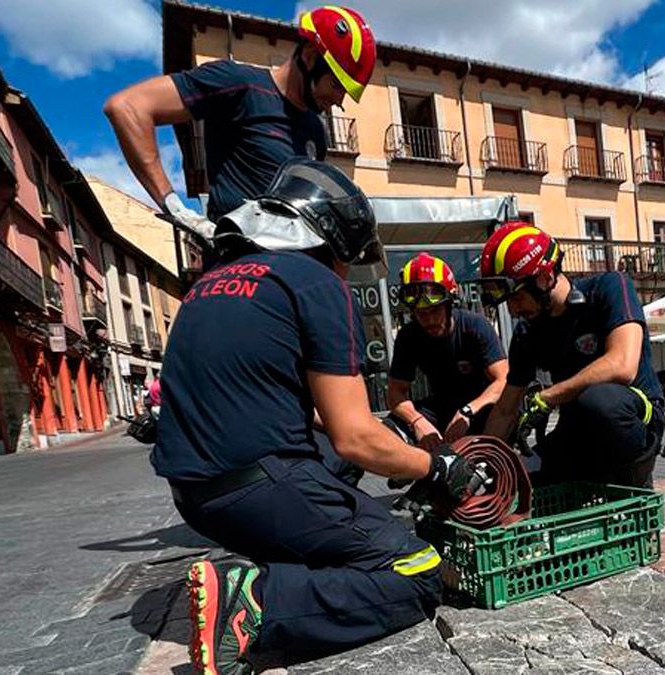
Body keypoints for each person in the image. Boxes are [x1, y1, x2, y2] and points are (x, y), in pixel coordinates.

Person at [154, 159, 481, 674]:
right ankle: (258, 604)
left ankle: (289, 568)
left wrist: (396, 451)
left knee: (339, 504)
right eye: (349, 260)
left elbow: (315, 415)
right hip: (257, 488)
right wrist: (437, 468)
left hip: (194, 499)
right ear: (332, 243)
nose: (347, 273)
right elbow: (355, 438)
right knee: (417, 567)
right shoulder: (312, 281)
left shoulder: (211, 283)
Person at [103, 5, 376, 239]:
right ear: (309, 56)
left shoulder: (315, 130)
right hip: (237, 274)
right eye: (338, 85)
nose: (340, 100)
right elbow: (128, 107)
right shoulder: (238, 84)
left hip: (288, 275)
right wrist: (174, 205)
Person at [479, 222, 665, 488]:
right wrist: (481, 464)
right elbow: (505, 410)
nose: (512, 309)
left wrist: (549, 396)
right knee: (511, 481)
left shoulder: (610, 287)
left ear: (544, 279)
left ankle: (632, 479)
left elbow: (622, 365)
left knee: (599, 400)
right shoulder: (527, 331)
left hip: (633, 421)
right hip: (577, 431)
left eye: (517, 298)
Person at [388, 253, 508, 451]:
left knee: (501, 413)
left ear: (450, 304)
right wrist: (418, 422)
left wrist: (468, 411)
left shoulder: (475, 325)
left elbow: (503, 380)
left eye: (435, 311)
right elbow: (395, 393)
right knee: (391, 429)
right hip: (442, 406)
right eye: (421, 313)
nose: (430, 320)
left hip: (482, 405)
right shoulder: (408, 336)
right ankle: (416, 466)